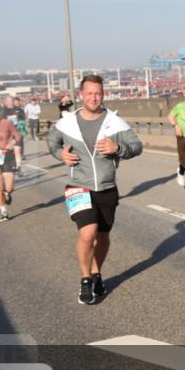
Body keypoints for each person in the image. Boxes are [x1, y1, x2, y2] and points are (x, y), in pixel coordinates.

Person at [47, 75, 143, 305]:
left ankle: (97, 272)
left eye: (98, 93)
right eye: (89, 93)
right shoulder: (67, 122)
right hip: (78, 185)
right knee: (87, 234)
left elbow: (136, 146)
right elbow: (52, 142)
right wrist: (60, 154)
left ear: (103, 94)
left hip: (107, 188)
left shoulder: (114, 122)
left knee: (102, 236)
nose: (93, 97)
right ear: (81, 94)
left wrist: (117, 148)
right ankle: (85, 279)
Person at [1, 96, 26, 169]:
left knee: (17, 151)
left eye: (11, 101)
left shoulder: (19, 110)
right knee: (6, 152)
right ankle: (5, 165)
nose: (9, 102)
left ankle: (18, 168)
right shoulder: (3, 111)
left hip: (17, 133)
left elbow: (23, 121)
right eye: (8, 101)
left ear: (13, 101)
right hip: (7, 135)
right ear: (5, 102)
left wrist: (22, 132)